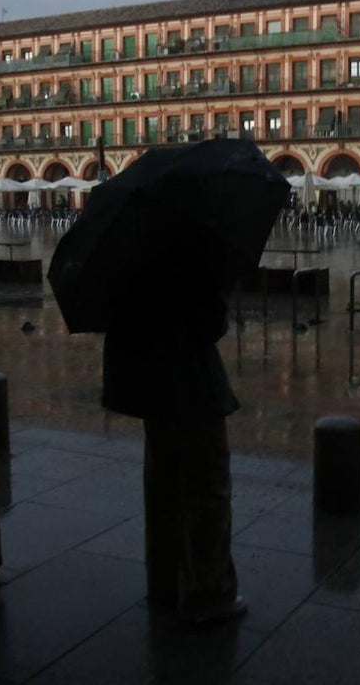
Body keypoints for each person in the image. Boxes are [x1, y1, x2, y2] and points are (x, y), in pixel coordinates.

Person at [100, 219, 246, 625]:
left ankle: (163, 583)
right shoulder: (189, 249)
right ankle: (208, 592)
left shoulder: (128, 248)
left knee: (163, 482)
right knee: (206, 484)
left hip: (151, 383)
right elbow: (210, 323)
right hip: (190, 381)